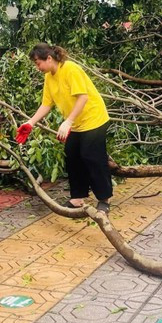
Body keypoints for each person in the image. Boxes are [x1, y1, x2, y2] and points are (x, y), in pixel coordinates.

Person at [17, 44, 112, 213]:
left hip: (94, 118)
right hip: (77, 123)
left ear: (49, 58)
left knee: (91, 157)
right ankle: (77, 198)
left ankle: (104, 199)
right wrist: (30, 123)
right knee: (72, 156)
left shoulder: (70, 69)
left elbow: (83, 97)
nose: (37, 67)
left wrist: (68, 121)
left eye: (37, 63)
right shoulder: (49, 77)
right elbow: (46, 104)